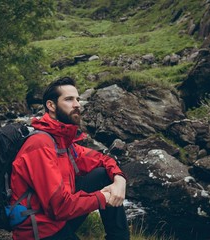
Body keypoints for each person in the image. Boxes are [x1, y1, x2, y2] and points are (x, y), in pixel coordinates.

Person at [10, 77, 130, 240]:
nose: (77, 104)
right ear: (51, 106)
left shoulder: (62, 141)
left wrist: (119, 179)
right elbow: (58, 207)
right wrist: (104, 197)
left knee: (103, 174)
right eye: (69, 99)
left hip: (58, 219)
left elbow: (102, 159)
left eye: (77, 99)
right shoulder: (40, 144)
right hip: (41, 230)